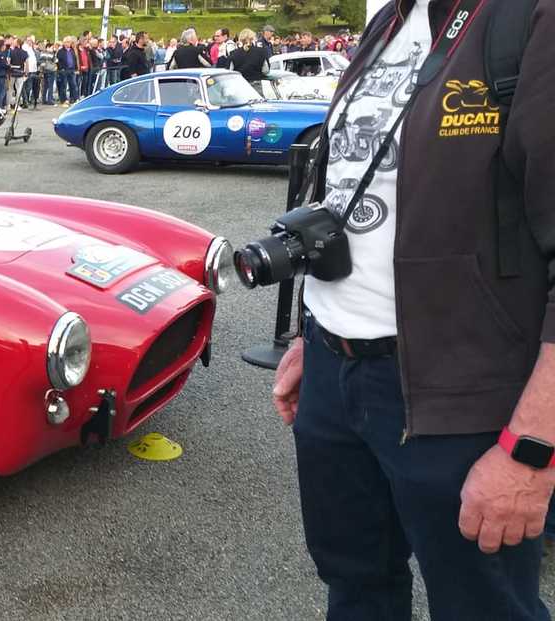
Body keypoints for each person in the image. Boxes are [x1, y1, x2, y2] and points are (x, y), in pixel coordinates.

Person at [272, 0, 555, 618]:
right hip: (334, 375)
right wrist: (312, 334)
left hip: (462, 400)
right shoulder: (389, 21)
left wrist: (533, 448)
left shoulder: (528, 20)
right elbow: (351, 195)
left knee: (484, 607)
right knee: (355, 586)